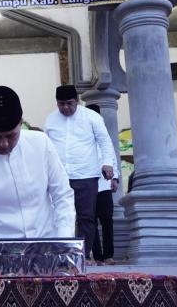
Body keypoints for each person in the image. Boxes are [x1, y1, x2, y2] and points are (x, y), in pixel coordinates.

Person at [0, 86, 75, 238]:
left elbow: (62, 195)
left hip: (44, 245)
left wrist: (63, 241)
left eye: (11, 136)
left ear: (21, 123)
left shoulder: (41, 145)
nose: (4, 144)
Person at [44, 85, 116, 260]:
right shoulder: (51, 120)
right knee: (58, 215)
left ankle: (81, 256)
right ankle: (60, 256)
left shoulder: (92, 117)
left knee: (86, 217)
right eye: (61, 104)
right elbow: (46, 148)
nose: (66, 108)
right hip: (59, 176)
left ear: (77, 100)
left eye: (69, 103)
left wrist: (108, 163)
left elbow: (104, 141)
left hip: (86, 175)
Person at [87, 104, 119, 266]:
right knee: (89, 221)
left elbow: (112, 157)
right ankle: (97, 257)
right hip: (86, 186)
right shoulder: (81, 137)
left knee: (107, 221)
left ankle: (108, 255)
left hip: (104, 186)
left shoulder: (104, 136)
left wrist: (116, 178)